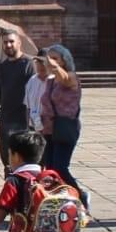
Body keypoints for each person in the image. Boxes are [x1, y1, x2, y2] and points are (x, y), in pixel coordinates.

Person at [0, 31, 34, 175]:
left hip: (25, 123)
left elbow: (36, 96)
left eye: (11, 41)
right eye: (5, 42)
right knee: (8, 166)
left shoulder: (29, 65)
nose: (8, 45)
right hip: (5, 123)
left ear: (19, 43)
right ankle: (11, 193)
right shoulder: (2, 67)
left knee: (26, 166)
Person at [38, 44, 83, 180]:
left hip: (65, 127)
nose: (51, 61)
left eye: (55, 58)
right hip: (49, 129)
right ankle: (59, 198)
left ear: (64, 60)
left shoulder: (71, 77)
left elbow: (65, 79)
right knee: (50, 169)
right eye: (49, 58)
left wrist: (53, 65)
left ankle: (81, 195)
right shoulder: (50, 81)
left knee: (60, 168)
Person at [24, 57, 50, 130]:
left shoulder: (55, 82)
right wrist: (27, 127)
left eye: (43, 69)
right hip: (33, 126)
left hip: (49, 129)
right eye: (38, 68)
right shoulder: (32, 81)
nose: (40, 72)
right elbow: (27, 106)